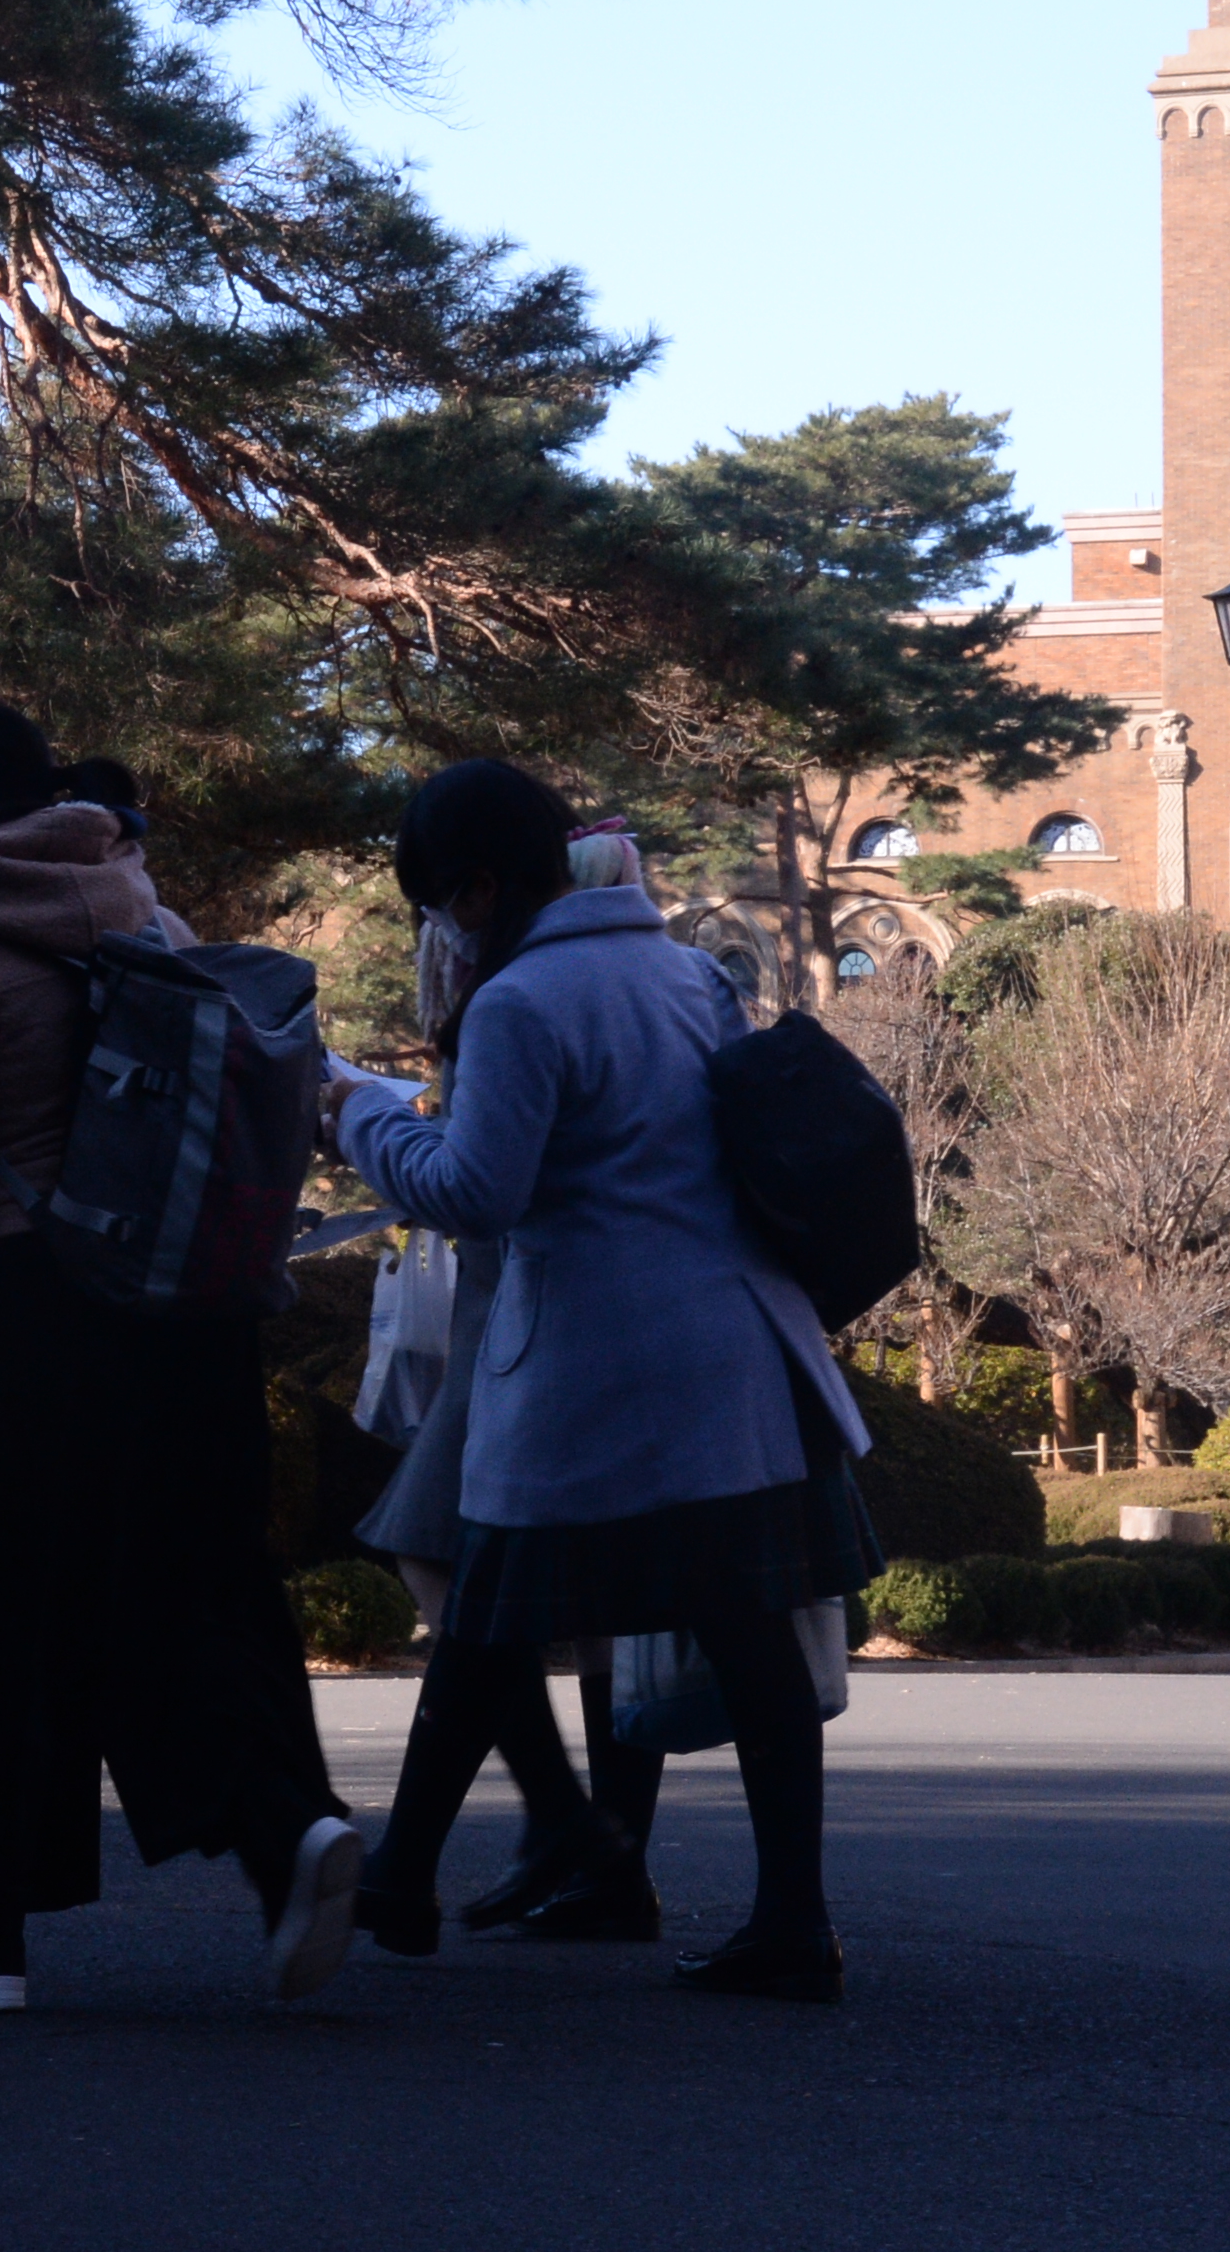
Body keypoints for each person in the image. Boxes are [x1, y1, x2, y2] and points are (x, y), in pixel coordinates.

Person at [0, 699, 363, 2013]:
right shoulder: (144, 914)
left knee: (5, 1619)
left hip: (20, 1308)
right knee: (201, 1589)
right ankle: (290, 1835)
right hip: (191, 1311)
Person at [326, 759, 879, 2003]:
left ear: (478, 887)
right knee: (747, 1634)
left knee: (485, 1610)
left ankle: (404, 1874)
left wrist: (349, 1112)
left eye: (436, 905)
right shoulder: (683, 969)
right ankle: (790, 1916)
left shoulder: (523, 1001)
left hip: (590, 1357)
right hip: (731, 1347)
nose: (437, 931)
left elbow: (477, 1191)